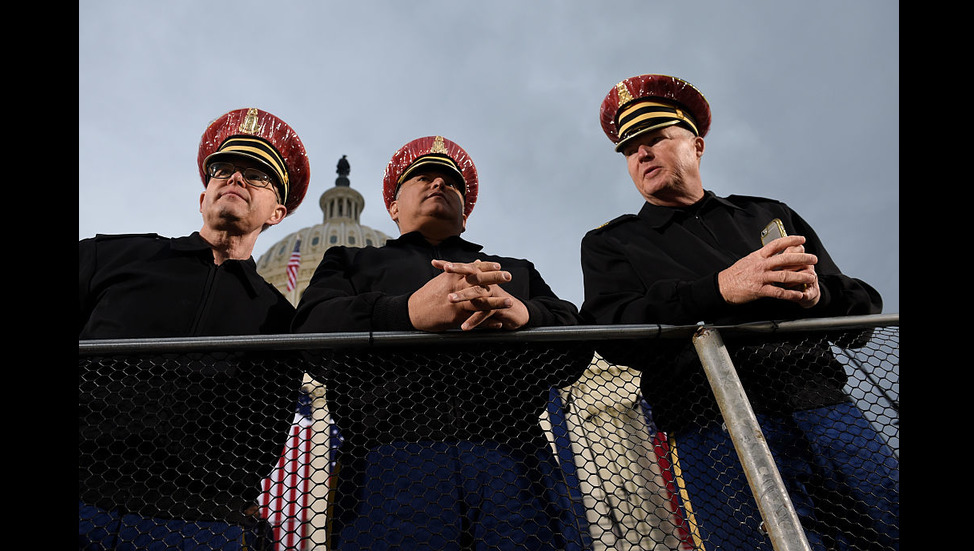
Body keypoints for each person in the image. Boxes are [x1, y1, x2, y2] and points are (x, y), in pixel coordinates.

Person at [580, 75, 899, 551]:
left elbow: (861, 310)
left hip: (823, 408)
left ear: (696, 144)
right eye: (630, 150)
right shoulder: (612, 243)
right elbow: (611, 332)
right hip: (710, 427)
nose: (642, 155)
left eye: (655, 139)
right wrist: (720, 289)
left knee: (888, 529)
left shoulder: (767, 214)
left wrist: (818, 297)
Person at [293, 136, 590, 550]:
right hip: (390, 457)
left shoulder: (514, 273)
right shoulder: (351, 261)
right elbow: (308, 332)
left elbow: (576, 348)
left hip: (513, 459)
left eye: (451, 182)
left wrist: (526, 316)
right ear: (393, 208)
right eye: (422, 177)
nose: (439, 184)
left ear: (465, 216)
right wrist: (407, 312)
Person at [79, 107, 311, 550]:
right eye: (223, 169)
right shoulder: (110, 257)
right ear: (203, 197)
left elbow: (266, 433)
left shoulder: (281, 320)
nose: (236, 178)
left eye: (257, 176)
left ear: (276, 213)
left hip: (193, 521)